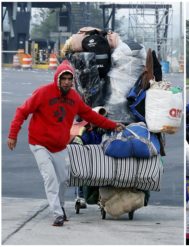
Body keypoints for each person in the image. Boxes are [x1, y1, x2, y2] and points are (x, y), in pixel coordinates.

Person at [7, 60, 124, 227]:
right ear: (58, 79)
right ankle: (57, 214)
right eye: (64, 78)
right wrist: (13, 135)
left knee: (63, 179)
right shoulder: (43, 93)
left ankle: (60, 206)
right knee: (50, 178)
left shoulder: (74, 98)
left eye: (70, 79)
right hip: (39, 143)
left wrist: (113, 125)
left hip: (59, 146)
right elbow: (22, 111)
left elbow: (91, 116)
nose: (67, 82)